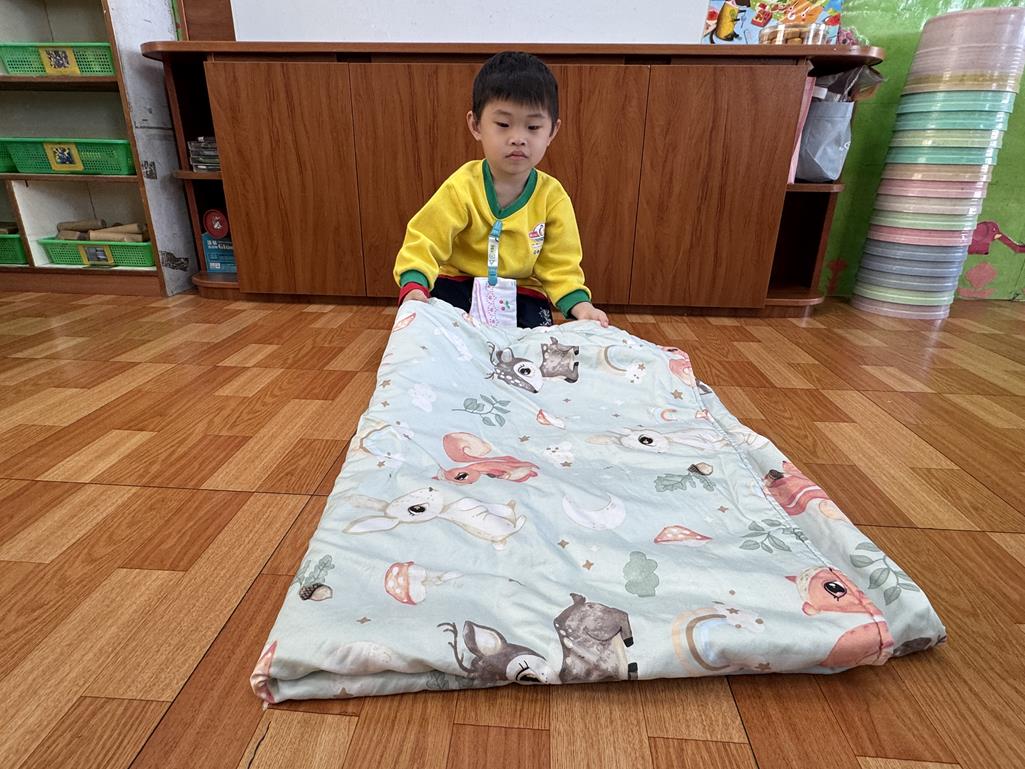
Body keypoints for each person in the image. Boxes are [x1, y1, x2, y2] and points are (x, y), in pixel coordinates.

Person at [392, 51, 609, 328]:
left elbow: (561, 264)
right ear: (476, 125)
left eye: (533, 127)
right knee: (437, 330)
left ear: (552, 132)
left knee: (535, 345)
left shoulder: (552, 197)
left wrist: (581, 304)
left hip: (522, 291)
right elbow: (426, 238)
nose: (518, 138)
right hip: (459, 282)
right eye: (503, 125)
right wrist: (414, 285)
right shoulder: (462, 186)